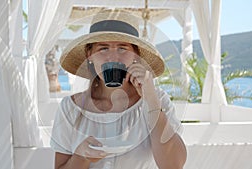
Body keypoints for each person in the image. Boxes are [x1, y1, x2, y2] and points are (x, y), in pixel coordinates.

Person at [50, 9, 187, 169]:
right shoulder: (70, 108)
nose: (113, 57)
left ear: (136, 55)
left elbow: (173, 165)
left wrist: (151, 100)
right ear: (89, 55)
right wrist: (81, 156)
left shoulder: (157, 100)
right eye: (103, 48)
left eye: (123, 48)